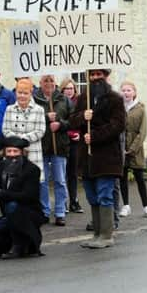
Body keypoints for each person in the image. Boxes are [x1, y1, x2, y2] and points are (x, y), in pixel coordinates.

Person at [69, 69, 125, 249]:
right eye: (92, 75)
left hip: (107, 156)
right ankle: (97, 233)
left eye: (98, 75)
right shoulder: (83, 99)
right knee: (92, 196)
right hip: (87, 158)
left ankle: (107, 235)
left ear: (106, 76)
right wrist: (81, 117)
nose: (95, 78)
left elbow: (118, 125)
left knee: (104, 195)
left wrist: (95, 136)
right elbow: (72, 121)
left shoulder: (115, 99)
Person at [0, 137, 44, 259]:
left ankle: (21, 244)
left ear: (22, 153)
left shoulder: (32, 170)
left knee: (12, 205)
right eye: (9, 151)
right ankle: (9, 245)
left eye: (15, 151)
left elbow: (29, 196)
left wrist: (3, 194)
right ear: (4, 153)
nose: (12, 155)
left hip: (27, 214)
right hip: (8, 216)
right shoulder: (2, 167)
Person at [33, 75, 71, 226]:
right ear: (40, 83)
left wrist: (60, 124)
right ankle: (44, 211)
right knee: (42, 181)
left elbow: (73, 120)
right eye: (45, 81)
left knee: (60, 181)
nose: (48, 84)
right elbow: (31, 118)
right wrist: (45, 116)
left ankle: (60, 212)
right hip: (41, 147)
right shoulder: (35, 100)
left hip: (59, 147)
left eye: (51, 80)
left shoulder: (63, 99)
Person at [119, 81, 147, 219]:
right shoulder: (119, 109)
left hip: (136, 150)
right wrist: (121, 148)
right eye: (123, 90)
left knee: (140, 177)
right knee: (122, 177)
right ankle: (126, 206)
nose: (126, 93)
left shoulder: (140, 109)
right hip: (121, 148)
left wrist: (132, 149)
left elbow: (143, 132)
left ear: (134, 92)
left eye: (129, 90)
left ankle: (146, 207)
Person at [2, 78, 46, 190]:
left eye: (25, 93)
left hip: (32, 154)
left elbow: (40, 131)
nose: (22, 96)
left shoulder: (39, 110)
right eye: (19, 92)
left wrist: (23, 139)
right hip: (13, 154)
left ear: (30, 93)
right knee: (14, 187)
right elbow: (5, 130)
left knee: (34, 189)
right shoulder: (9, 109)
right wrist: (17, 142)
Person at [60, 78, 84, 214]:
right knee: (62, 174)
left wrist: (79, 134)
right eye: (66, 89)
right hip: (63, 141)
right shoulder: (59, 103)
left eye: (71, 88)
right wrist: (69, 133)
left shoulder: (79, 103)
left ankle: (74, 201)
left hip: (76, 142)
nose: (69, 91)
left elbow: (82, 121)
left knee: (73, 173)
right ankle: (63, 202)